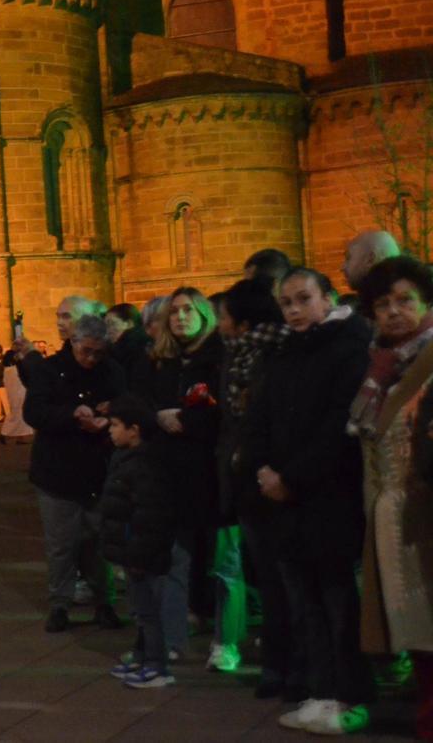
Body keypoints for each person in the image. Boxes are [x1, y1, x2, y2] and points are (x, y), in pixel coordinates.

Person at [243, 268, 373, 735]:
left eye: (304, 299)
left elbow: (339, 424)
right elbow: (259, 415)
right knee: (305, 603)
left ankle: (350, 695)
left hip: (327, 497)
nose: (294, 310)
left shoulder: (348, 348)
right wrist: (262, 469)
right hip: (285, 497)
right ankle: (320, 690)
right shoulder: (285, 352)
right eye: (287, 303)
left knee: (337, 602)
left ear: (327, 298)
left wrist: (290, 477)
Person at [347, 256, 433, 740]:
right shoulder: (381, 366)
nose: (394, 312)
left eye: (405, 300)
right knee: (417, 636)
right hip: (392, 517)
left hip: (424, 514)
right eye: (383, 304)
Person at [217, 277, 299, 699]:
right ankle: (277, 665)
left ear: (243, 322)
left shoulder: (274, 355)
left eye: (225, 316)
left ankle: (291, 668)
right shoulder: (240, 355)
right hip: (247, 482)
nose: (220, 324)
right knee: (267, 579)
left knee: (286, 581)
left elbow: (266, 421)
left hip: (274, 482)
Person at [133, 287, 223, 663]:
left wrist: (184, 419)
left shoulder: (217, 358)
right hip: (172, 472)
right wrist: (157, 417)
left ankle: (224, 638)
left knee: (221, 562)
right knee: (176, 558)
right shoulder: (163, 362)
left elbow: (222, 411)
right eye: (174, 312)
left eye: (188, 310)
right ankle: (172, 638)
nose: (181, 317)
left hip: (211, 472)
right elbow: (144, 402)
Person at [25, 314, 124, 632]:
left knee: (99, 540)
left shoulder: (112, 371)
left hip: (98, 468)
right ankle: (60, 604)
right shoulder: (49, 370)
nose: (91, 359)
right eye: (86, 352)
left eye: (98, 352)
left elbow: (126, 403)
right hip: (57, 470)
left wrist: (108, 419)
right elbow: (34, 412)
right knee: (62, 543)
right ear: (74, 343)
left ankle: (104, 602)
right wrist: (71, 414)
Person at [101, 395, 177, 689]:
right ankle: (145, 657)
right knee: (140, 609)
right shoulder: (127, 458)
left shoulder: (145, 464)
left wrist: (137, 554)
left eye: (116, 425)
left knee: (148, 612)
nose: (110, 430)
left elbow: (148, 515)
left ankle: (157, 666)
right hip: (134, 551)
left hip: (142, 554)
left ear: (134, 429)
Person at [106, 303, 150, 378]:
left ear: (129, 324)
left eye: (112, 323)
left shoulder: (126, 350)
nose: (108, 330)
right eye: (106, 325)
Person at [0, 351, 33, 443]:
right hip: (19, 394)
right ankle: (5, 433)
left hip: (14, 394)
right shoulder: (15, 369)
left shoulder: (7, 369)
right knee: (17, 415)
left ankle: (20, 437)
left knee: (18, 414)